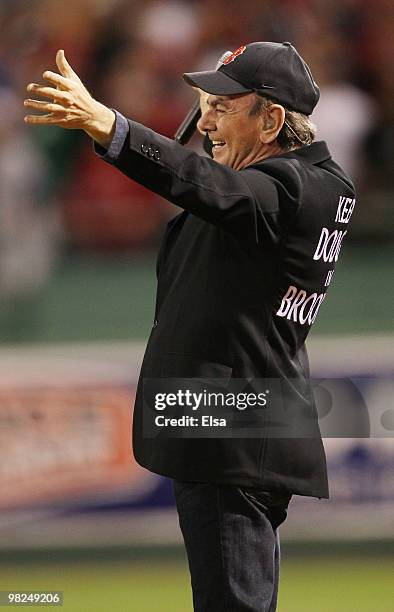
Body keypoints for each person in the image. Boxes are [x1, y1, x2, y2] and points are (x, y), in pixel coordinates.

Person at [25, 42, 356, 611]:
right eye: (203, 104)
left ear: (272, 119)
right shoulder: (302, 186)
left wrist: (111, 126)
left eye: (222, 106)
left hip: (231, 433)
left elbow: (209, 186)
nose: (204, 121)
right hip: (236, 428)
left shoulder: (300, 187)